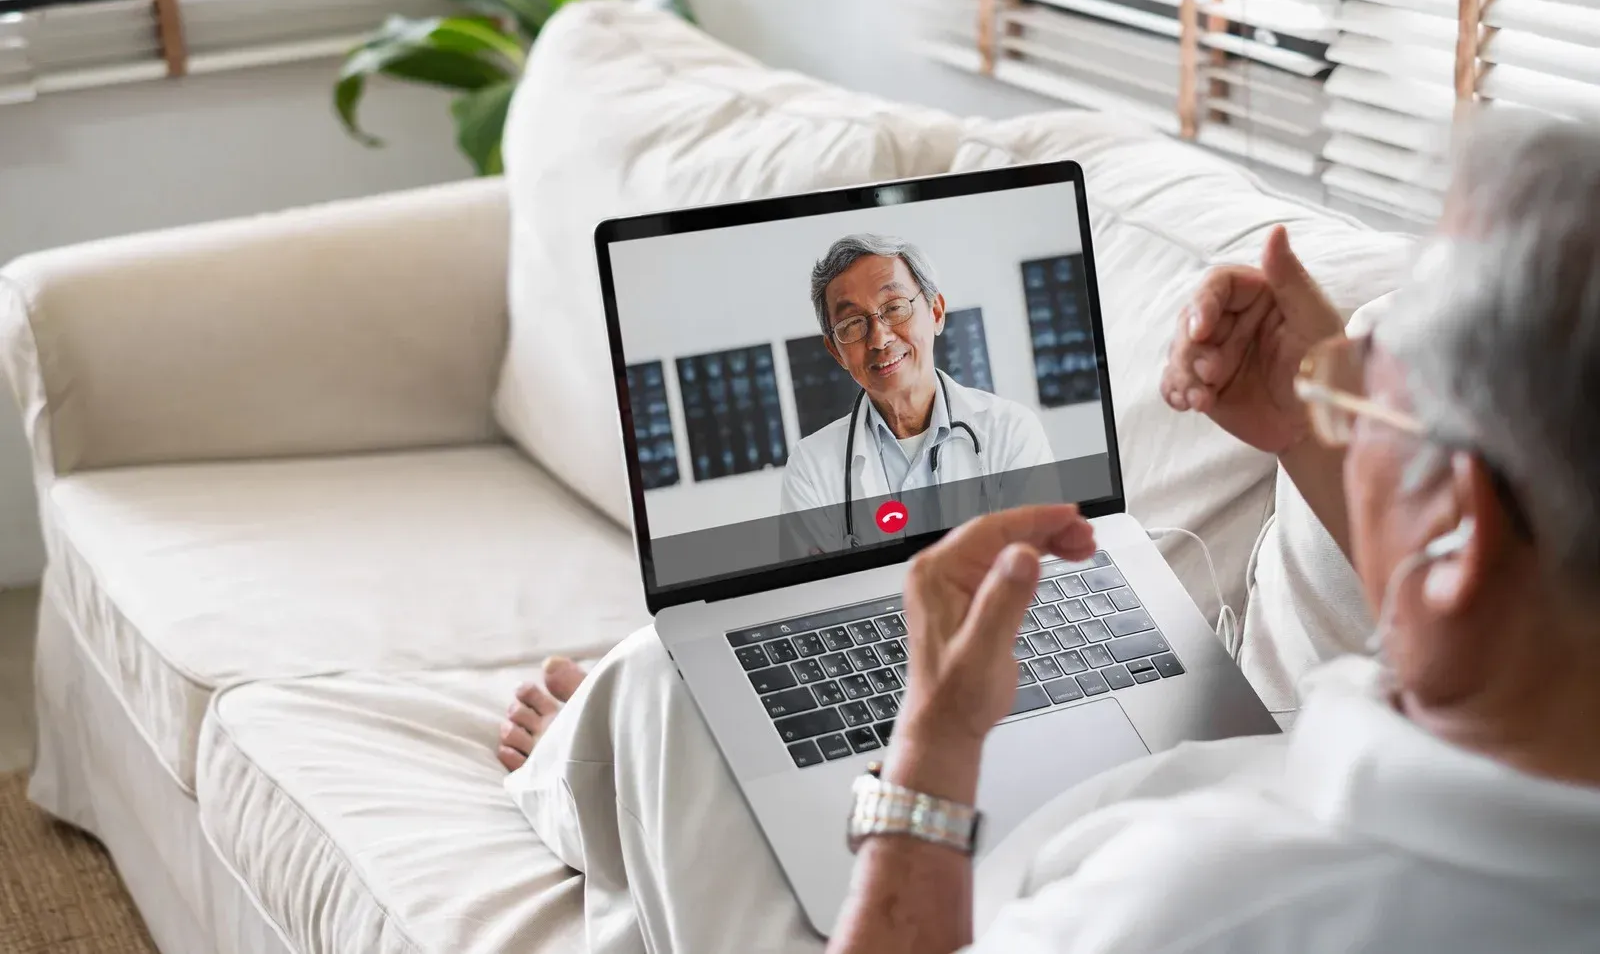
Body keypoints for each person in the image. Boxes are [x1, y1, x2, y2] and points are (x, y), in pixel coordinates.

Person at [498, 113, 1600, 953]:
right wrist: (1320, 436)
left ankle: (586, 773)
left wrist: (930, 740)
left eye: (1368, 406)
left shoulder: (1200, 904)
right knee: (672, 698)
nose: (876, 337)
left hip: (972, 861)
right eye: (849, 324)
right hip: (1169, 768)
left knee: (657, 690)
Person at [778, 233, 1055, 545]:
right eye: (852, 324)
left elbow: (1037, 569)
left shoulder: (1011, 430)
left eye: (894, 308)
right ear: (835, 352)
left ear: (936, 312)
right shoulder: (810, 467)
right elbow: (817, 592)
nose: (879, 339)